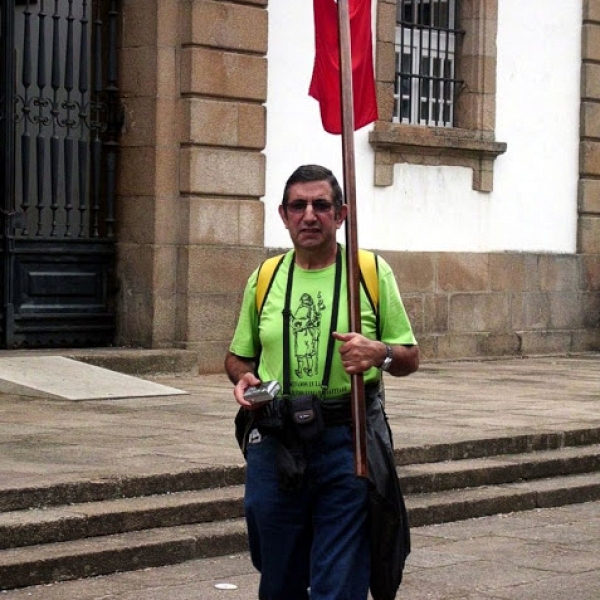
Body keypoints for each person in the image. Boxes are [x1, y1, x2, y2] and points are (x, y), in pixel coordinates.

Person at [225, 164, 419, 600]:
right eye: (298, 206)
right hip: (276, 438)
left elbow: (410, 356)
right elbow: (237, 356)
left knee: (339, 580)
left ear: (342, 213)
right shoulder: (265, 277)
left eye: (321, 205)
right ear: (283, 214)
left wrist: (379, 353)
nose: (309, 215)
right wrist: (245, 378)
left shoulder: (369, 272)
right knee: (277, 575)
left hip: (346, 439)